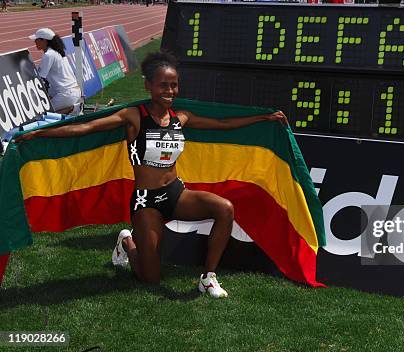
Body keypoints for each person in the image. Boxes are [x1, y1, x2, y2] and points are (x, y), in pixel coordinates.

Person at [16, 51, 288, 298]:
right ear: (148, 85)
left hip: (176, 194)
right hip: (147, 203)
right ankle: (126, 241)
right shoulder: (134, 116)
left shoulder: (182, 118)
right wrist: (39, 133)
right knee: (151, 279)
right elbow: (86, 128)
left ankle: (207, 277)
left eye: (174, 85)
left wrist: (263, 118)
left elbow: (224, 124)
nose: (170, 91)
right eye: (163, 85)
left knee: (225, 208)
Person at [29, 28, 82, 115]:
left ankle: (73, 109)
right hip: (72, 92)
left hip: (66, 94)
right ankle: (72, 109)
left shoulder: (49, 55)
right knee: (45, 103)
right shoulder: (57, 52)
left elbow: (40, 78)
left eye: (36, 40)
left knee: (41, 114)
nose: (35, 42)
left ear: (44, 41)